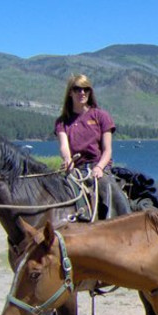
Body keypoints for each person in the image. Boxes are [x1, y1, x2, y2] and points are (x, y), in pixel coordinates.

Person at [54, 74, 130, 218]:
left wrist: (99, 167)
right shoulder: (62, 122)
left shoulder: (101, 116)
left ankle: (126, 220)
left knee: (109, 188)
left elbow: (107, 150)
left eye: (86, 89)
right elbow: (64, 145)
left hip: (99, 166)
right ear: (70, 92)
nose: (82, 93)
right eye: (77, 89)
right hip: (76, 169)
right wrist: (67, 159)